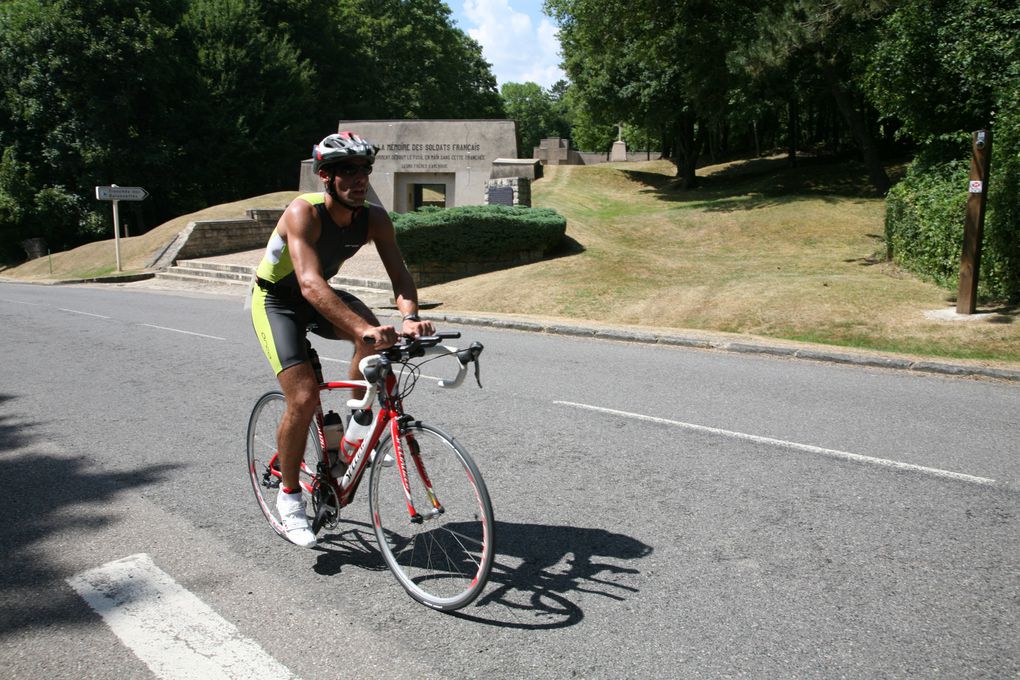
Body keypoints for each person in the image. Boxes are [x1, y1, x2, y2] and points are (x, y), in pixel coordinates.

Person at [250, 131, 434, 547]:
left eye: (364, 170)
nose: (359, 179)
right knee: (302, 398)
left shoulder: (374, 218)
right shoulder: (304, 213)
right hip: (279, 300)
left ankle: (353, 431)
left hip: (320, 296)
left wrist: (410, 317)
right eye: (346, 171)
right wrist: (363, 328)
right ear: (326, 178)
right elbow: (311, 284)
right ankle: (290, 497)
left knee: (377, 343)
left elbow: (400, 276)